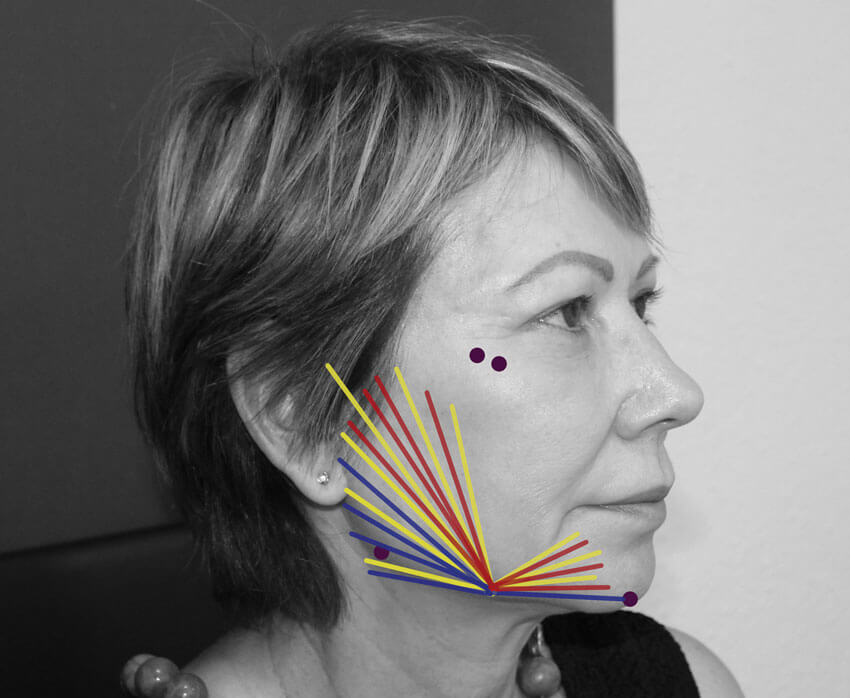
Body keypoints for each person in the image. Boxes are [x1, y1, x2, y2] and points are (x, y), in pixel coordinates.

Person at [122, 17, 745, 698]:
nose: (675, 392)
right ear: (299, 418)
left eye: (642, 302)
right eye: (566, 311)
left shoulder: (679, 684)